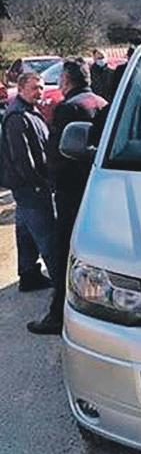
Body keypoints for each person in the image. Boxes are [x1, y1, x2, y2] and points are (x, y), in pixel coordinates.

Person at [27, 58, 107, 335]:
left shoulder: (68, 108)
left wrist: (51, 182)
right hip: (96, 188)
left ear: (66, 80)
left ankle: (57, 315)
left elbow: (57, 153)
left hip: (71, 193)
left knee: (66, 252)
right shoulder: (101, 103)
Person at [0, 72, 58, 293]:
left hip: (28, 188)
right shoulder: (17, 117)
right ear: (21, 88)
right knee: (48, 238)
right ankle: (61, 285)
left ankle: (29, 276)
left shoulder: (29, 111)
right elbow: (22, 160)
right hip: (31, 188)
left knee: (25, 234)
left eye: (41, 88)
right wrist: (40, 184)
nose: (39, 92)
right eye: (34, 88)